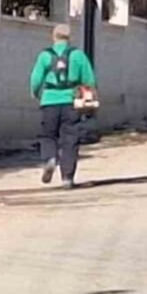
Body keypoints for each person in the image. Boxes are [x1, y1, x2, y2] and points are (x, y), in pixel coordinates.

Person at [29, 24, 96, 189]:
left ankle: (50, 158)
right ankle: (67, 177)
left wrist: (35, 93)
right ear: (69, 38)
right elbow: (89, 79)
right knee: (70, 139)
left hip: (49, 100)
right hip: (71, 101)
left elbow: (36, 78)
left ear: (53, 36)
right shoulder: (78, 55)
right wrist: (89, 99)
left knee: (48, 135)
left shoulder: (45, 55)